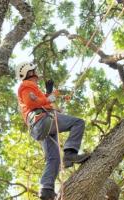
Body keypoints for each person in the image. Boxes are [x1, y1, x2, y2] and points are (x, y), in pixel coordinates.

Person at [16, 61, 90, 200]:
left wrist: (49, 93)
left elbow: (42, 101)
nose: (36, 74)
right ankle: (70, 153)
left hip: (40, 127)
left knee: (53, 159)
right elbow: (32, 102)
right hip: (42, 120)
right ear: (28, 72)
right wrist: (49, 97)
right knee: (78, 123)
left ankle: (46, 189)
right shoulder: (26, 85)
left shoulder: (33, 88)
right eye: (34, 71)